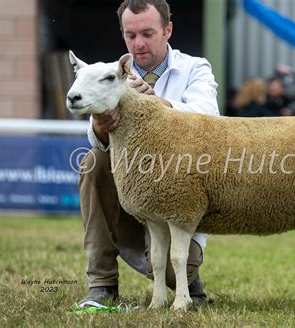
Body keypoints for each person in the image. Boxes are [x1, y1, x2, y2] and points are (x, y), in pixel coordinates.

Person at [77, 0, 219, 307]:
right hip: (134, 199)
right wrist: (103, 123)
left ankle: (185, 279)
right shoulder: (108, 74)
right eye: (131, 35)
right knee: (94, 161)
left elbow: (209, 116)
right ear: (123, 34)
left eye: (148, 33)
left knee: (170, 272)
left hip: (178, 201)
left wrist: (155, 104)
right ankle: (101, 283)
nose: (139, 43)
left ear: (167, 30)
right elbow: (97, 139)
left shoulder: (195, 68)